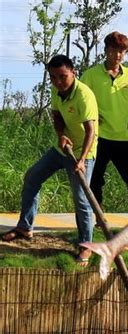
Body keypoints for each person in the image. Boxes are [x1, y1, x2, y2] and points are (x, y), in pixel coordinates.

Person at [1, 55, 98, 267]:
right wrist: (61, 135)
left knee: (81, 200)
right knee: (32, 177)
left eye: (63, 77)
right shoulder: (56, 90)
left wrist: (81, 160)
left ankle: (86, 245)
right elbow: (57, 117)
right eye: (53, 78)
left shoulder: (84, 95)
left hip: (84, 153)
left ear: (73, 72)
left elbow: (91, 130)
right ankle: (25, 228)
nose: (58, 82)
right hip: (62, 148)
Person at [80, 31, 128, 221]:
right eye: (114, 50)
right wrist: (91, 116)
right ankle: (100, 219)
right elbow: (80, 98)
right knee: (95, 180)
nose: (117, 55)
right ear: (106, 50)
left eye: (122, 51)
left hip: (124, 137)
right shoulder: (91, 74)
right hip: (99, 138)